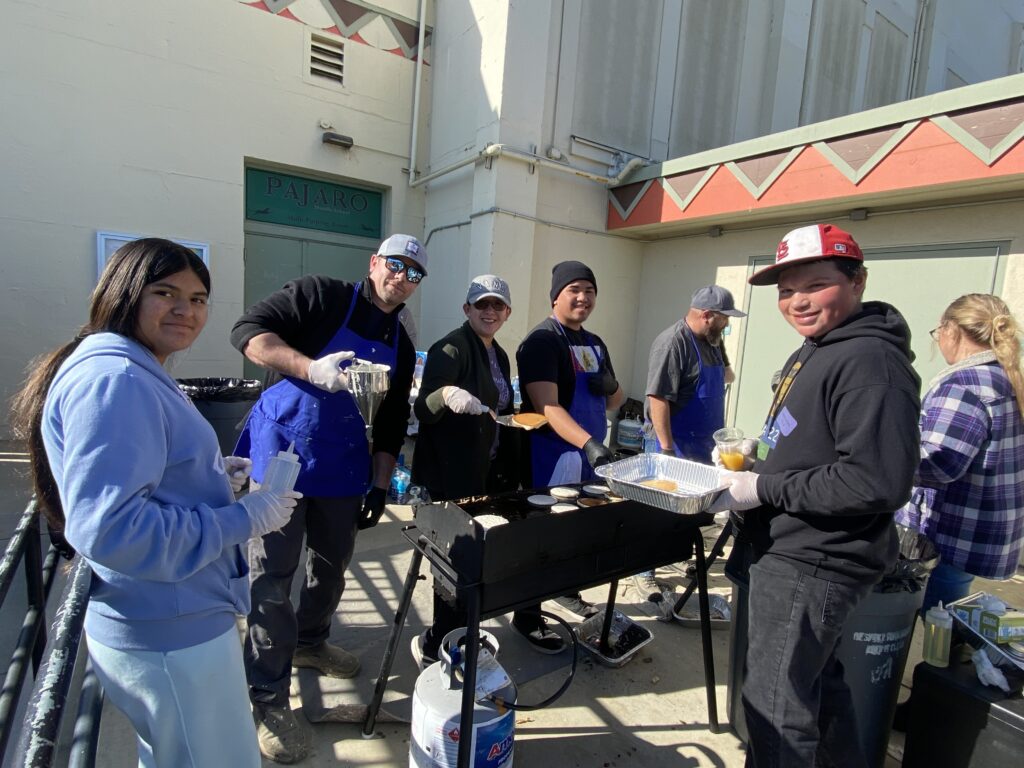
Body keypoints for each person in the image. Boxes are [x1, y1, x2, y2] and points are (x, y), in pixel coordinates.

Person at [10, 239, 299, 767]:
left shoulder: (127, 366)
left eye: (198, 298)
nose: (186, 311)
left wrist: (212, 479)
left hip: (166, 619)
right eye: (165, 292)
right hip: (170, 631)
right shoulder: (117, 380)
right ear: (121, 293)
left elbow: (142, 479)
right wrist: (242, 518)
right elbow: (113, 530)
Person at [709, 223, 921, 767]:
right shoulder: (819, 347)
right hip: (789, 546)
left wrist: (761, 486)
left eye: (815, 284)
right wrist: (759, 456)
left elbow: (876, 480)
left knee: (776, 711)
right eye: (785, 291)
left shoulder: (871, 363)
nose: (797, 302)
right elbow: (811, 438)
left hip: (814, 559)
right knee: (819, 692)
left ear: (857, 281)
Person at [231, 234, 422, 762]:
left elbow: (389, 421)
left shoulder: (401, 343)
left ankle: (311, 643)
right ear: (375, 263)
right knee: (272, 574)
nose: (402, 277)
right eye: (395, 264)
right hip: (282, 456)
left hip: (341, 466)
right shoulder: (321, 298)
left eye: (414, 272)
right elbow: (247, 334)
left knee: (332, 563)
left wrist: (381, 485)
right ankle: (267, 695)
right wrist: (309, 367)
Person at [410, 275, 565, 664]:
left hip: (485, 471)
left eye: (498, 305)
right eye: (482, 304)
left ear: (508, 312)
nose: (490, 311)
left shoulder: (498, 353)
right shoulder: (450, 348)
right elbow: (422, 410)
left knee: (475, 559)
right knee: (452, 558)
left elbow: (499, 410)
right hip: (451, 474)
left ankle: (462, 631)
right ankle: (440, 642)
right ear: (467, 309)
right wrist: (446, 394)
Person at [896, 294, 1024, 610]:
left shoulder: (963, 385)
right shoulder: (1004, 377)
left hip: (949, 534)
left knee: (941, 621)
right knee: (952, 618)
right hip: (980, 531)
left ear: (951, 330)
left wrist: (884, 460)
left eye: (938, 331)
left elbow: (940, 464)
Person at [516, 260, 624, 619]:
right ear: (556, 297)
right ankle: (527, 615)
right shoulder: (542, 342)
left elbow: (614, 401)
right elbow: (547, 406)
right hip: (554, 455)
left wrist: (611, 386)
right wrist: (589, 443)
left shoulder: (595, 342)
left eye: (589, 291)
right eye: (573, 290)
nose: (583, 298)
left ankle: (565, 592)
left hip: (589, 456)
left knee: (575, 532)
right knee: (543, 536)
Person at [634, 286, 747, 605]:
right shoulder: (673, 342)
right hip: (673, 445)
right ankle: (644, 572)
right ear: (707, 315)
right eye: (724, 319)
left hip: (702, 446)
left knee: (691, 514)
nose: (727, 325)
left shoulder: (712, 341)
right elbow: (657, 399)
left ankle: (678, 554)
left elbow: (727, 376)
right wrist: (667, 451)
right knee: (658, 514)